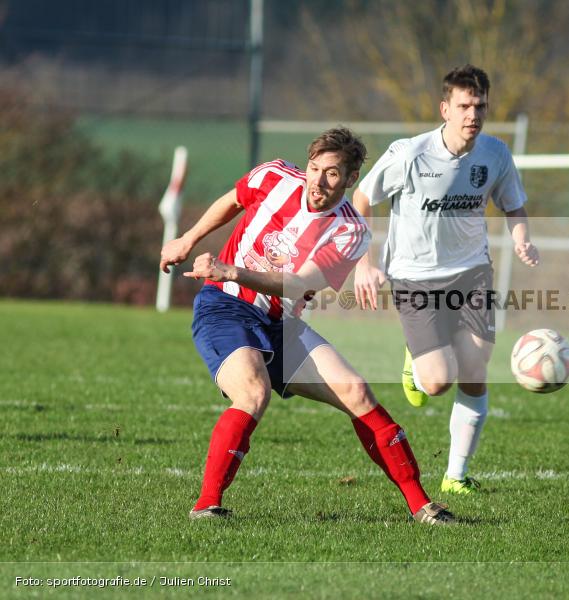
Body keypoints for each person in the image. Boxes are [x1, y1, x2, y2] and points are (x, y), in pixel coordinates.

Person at [159, 127, 455, 525]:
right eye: (315, 168)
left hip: (281, 321)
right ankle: (207, 505)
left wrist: (233, 270)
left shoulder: (351, 232)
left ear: (351, 178)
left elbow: (298, 284)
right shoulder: (274, 176)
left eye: (332, 174)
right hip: (225, 307)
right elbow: (234, 199)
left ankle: (422, 506)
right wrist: (188, 239)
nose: (318, 181)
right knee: (252, 393)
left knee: (357, 392)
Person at [352, 65, 539, 495]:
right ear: (445, 109)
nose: (473, 115)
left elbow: (513, 205)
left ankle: (456, 475)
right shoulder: (410, 154)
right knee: (437, 382)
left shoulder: (495, 154)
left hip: (472, 273)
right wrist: (364, 263)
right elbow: (361, 198)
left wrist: (522, 237)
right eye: (464, 106)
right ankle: (415, 362)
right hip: (414, 277)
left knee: (474, 370)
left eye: (480, 106)